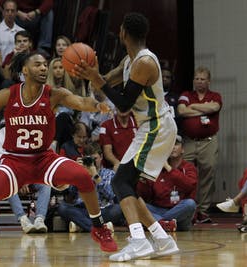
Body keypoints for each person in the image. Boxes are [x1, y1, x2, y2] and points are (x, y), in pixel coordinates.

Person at [0, 52, 117, 260]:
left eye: (45, 65)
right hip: (15, 161)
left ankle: (98, 228)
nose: (44, 68)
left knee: (82, 175)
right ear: (25, 70)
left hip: (44, 158)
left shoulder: (54, 94)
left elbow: (81, 102)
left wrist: (98, 106)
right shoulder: (7, 95)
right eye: (38, 65)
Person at [73, 12, 179, 261]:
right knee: (126, 185)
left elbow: (122, 104)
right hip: (150, 126)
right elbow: (105, 82)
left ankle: (139, 241)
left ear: (122, 33)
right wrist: (90, 75)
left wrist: (97, 80)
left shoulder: (144, 63)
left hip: (157, 126)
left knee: (120, 183)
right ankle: (160, 238)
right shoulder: (129, 61)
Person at [177, 66, 222, 223]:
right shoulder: (186, 95)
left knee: (208, 173)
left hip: (208, 141)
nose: (199, 81)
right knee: (184, 174)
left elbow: (214, 107)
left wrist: (194, 107)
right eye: (196, 78)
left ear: (208, 81)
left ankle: (202, 211)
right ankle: (186, 209)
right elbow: (182, 111)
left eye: (202, 79)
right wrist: (204, 109)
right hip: (189, 141)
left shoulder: (215, 95)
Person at [0, 126, 50, 233]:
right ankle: (23, 219)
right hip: (7, 176)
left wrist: (26, 180)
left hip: (28, 177)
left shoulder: (29, 133)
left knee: (45, 183)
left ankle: (39, 219)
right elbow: (0, 166)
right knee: (7, 182)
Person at [58, 142, 125, 232]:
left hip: (102, 210)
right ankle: (99, 228)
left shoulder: (109, 173)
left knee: (117, 209)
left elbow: (110, 195)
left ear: (101, 157)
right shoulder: (80, 172)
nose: (92, 162)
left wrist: (95, 176)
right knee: (62, 208)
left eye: (95, 159)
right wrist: (76, 172)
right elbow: (71, 192)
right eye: (89, 159)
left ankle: (83, 226)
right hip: (82, 209)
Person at [136, 135, 197, 231]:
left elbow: (189, 186)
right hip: (159, 209)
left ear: (183, 150)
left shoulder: (189, 168)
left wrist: (169, 169)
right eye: (170, 145)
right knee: (137, 204)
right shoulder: (157, 168)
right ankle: (166, 224)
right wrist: (142, 182)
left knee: (190, 204)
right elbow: (147, 196)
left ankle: (161, 223)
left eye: (176, 144)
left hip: (180, 213)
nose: (172, 147)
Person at [0, 0, 24, 94]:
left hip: (17, 67)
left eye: (12, 11)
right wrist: (7, 76)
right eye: (7, 10)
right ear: (3, 12)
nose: (10, 13)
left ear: (16, 12)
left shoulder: (22, 32)